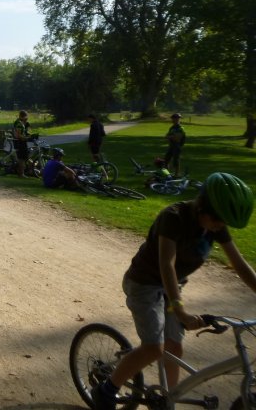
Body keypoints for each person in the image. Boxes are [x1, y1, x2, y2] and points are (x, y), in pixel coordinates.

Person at [92, 173, 256, 410]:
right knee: (153, 347)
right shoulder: (174, 218)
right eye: (218, 220)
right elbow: (166, 263)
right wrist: (179, 310)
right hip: (144, 284)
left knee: (174, 346)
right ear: (202, 207)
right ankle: (107, 389)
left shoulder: (215, 226)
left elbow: (239, 264)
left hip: (173, 286)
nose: (220, 227)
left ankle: (169, 398)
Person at [12, 110, 32, 178]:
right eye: (25, 117)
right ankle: (21, 174)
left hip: (22, 142)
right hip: (20, 142)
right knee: (21, 159)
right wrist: (25, 138)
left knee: (25, 157)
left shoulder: (21, 122)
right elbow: (18, 135)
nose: (26, 119)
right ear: (22, 116)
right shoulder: (19, 124)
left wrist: (27, 136)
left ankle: (26, 172)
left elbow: (26, 131)